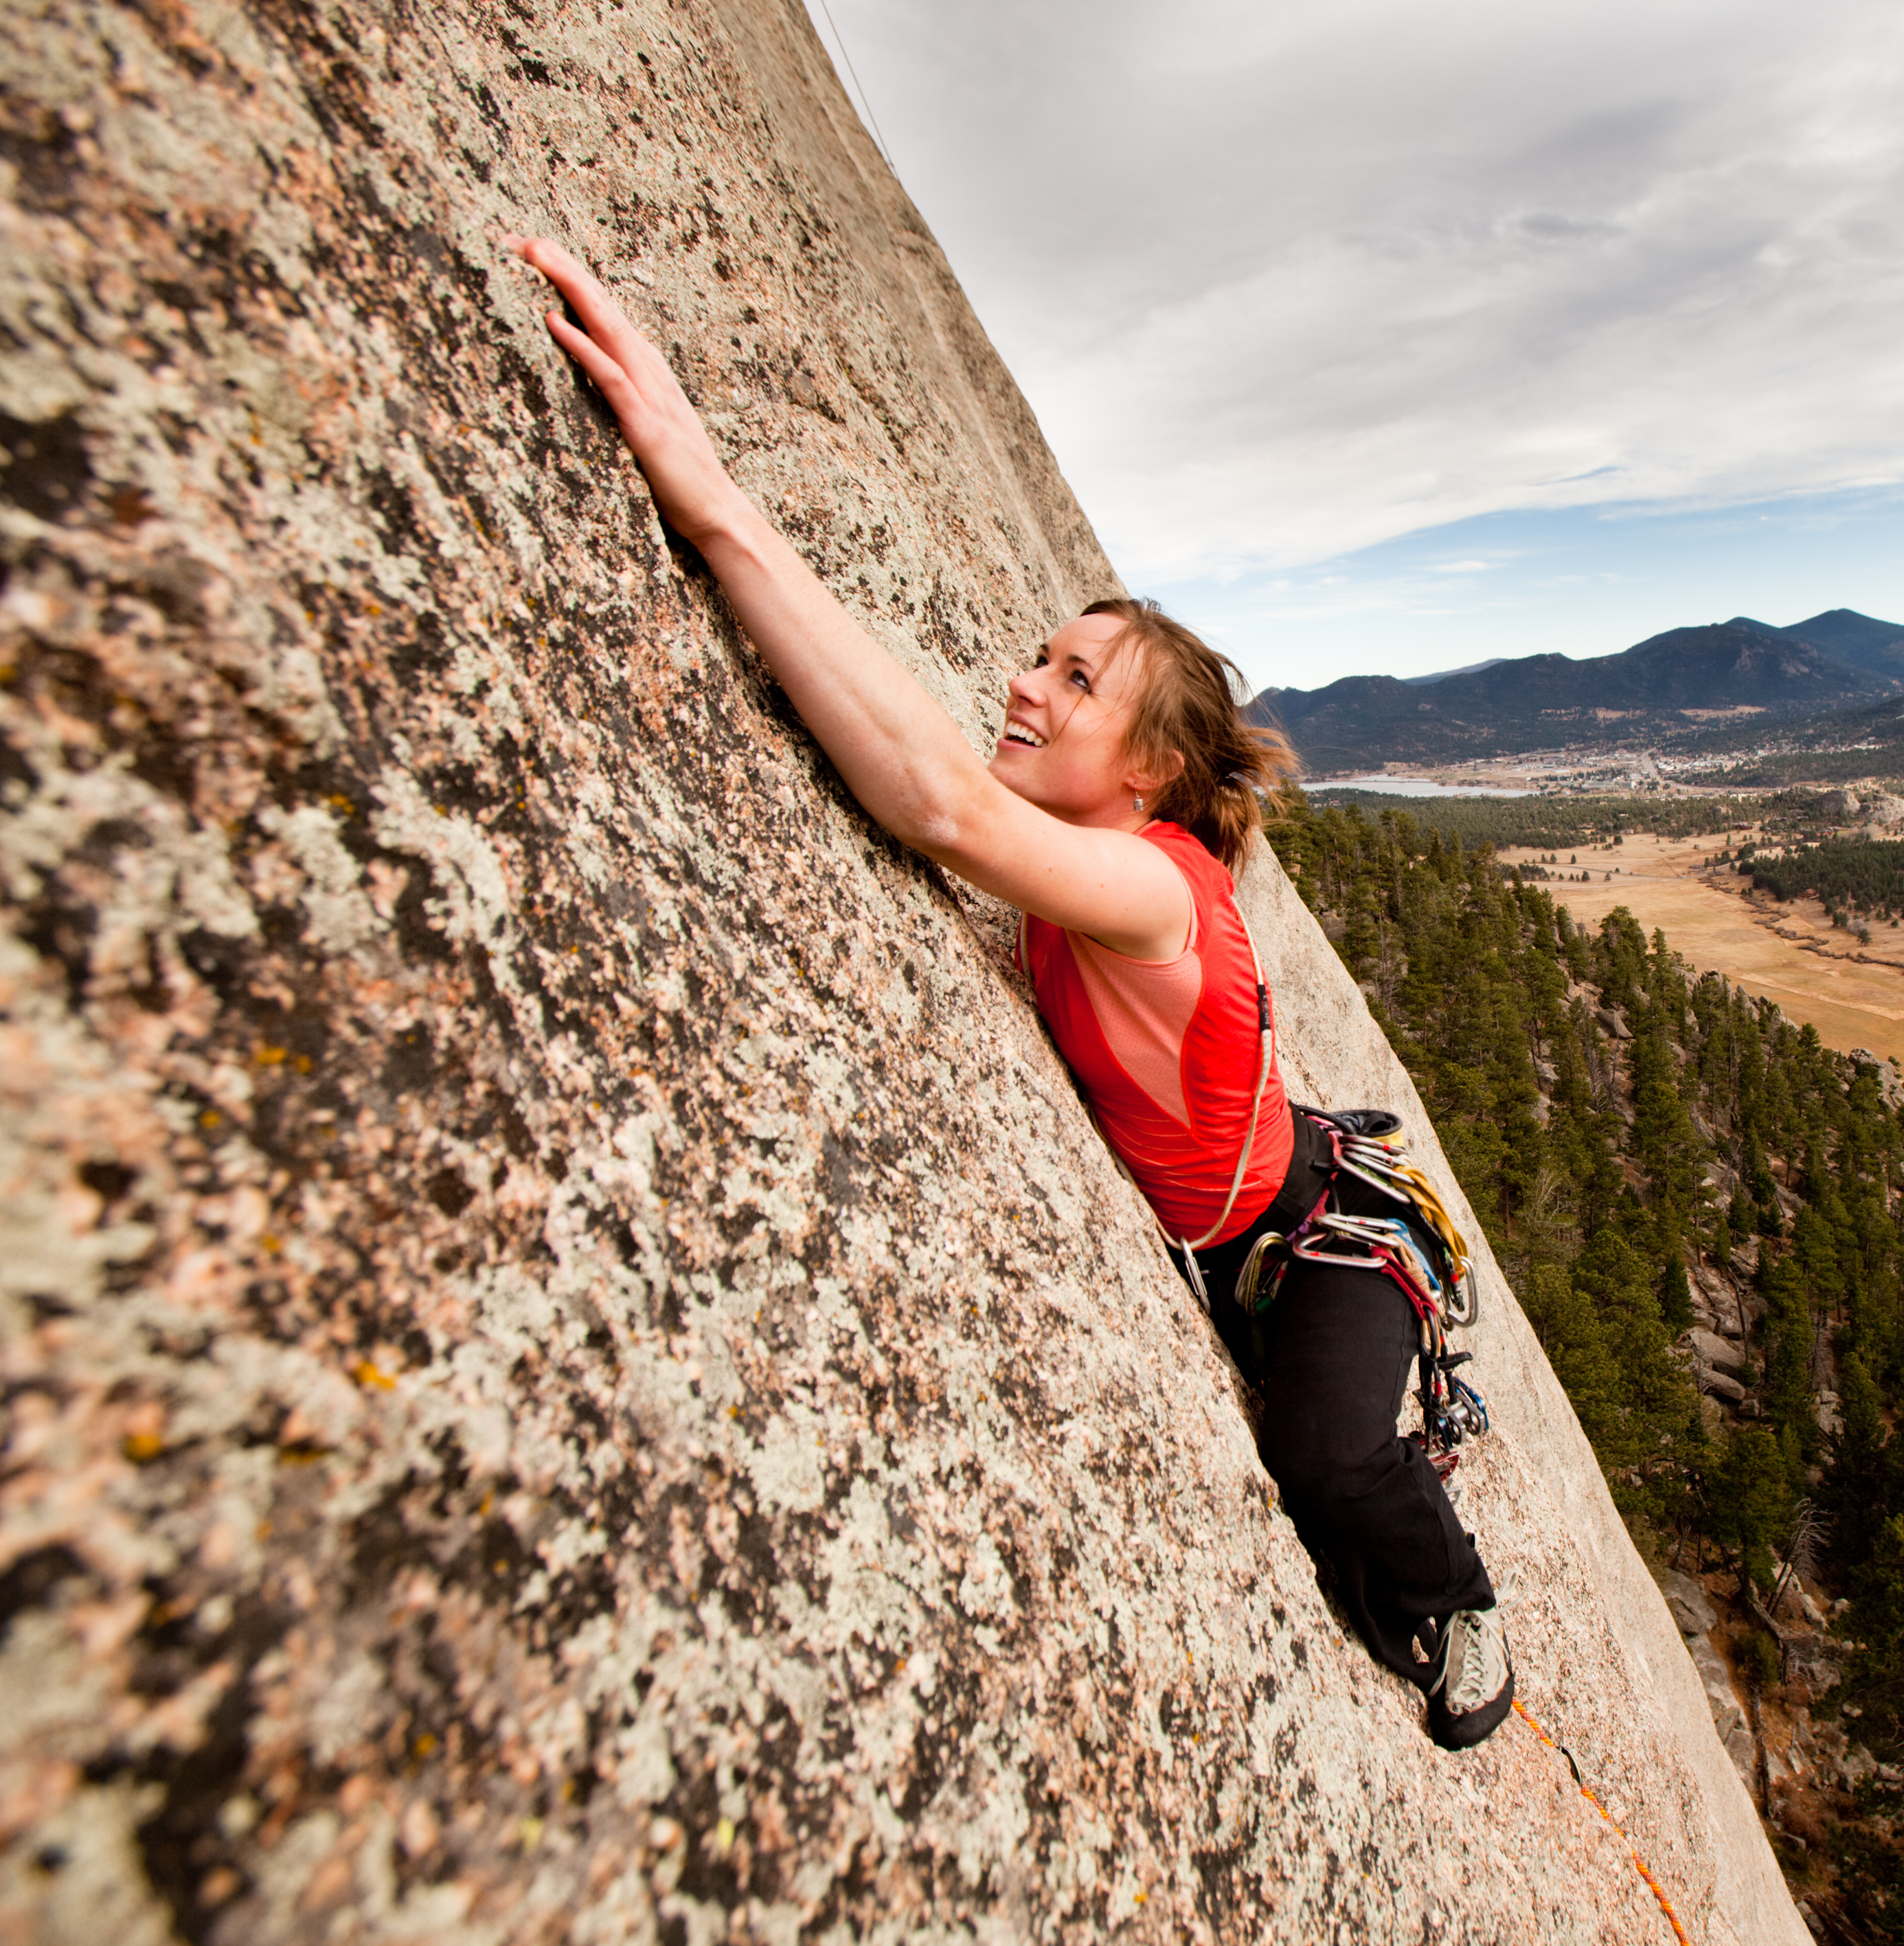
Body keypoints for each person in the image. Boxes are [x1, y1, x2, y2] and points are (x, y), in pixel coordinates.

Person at [510, 238, 1512, 1748]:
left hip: (1314, 1239)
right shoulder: (1089, 852)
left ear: (1154, 772)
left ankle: (1458, 1600)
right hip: (1246, 1205)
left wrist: (708, 500)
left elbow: (941, 810)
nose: (1026, 688)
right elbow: (935, 770)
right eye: (1039, 656)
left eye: (1076, 682)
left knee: (1325, 1460)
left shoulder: (1157, 884)